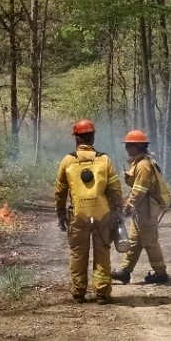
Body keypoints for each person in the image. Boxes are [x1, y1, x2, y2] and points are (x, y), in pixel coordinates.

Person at [54, 119, 124, 304]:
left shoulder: (68, 161)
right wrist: (119, 209)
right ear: (93, 138)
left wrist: (61, 214)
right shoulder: (104, 159)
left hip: (78, 215)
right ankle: (102, 293)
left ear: (77, 138)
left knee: (78, 253)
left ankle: (78, 292)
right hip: (102, 214)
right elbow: (115, 189)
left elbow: (60, 191)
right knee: (102, 251)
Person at [112, 130, 171, 285]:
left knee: (150, 241)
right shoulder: (140, 163)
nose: (126, 148)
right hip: (141, 209)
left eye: (128, 145)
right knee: (135, 240)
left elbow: (139, 191)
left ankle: (161, 273)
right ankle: (125, 271)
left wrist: (128, 206)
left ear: (136, 147)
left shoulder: (143, 166)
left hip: (146, 208)